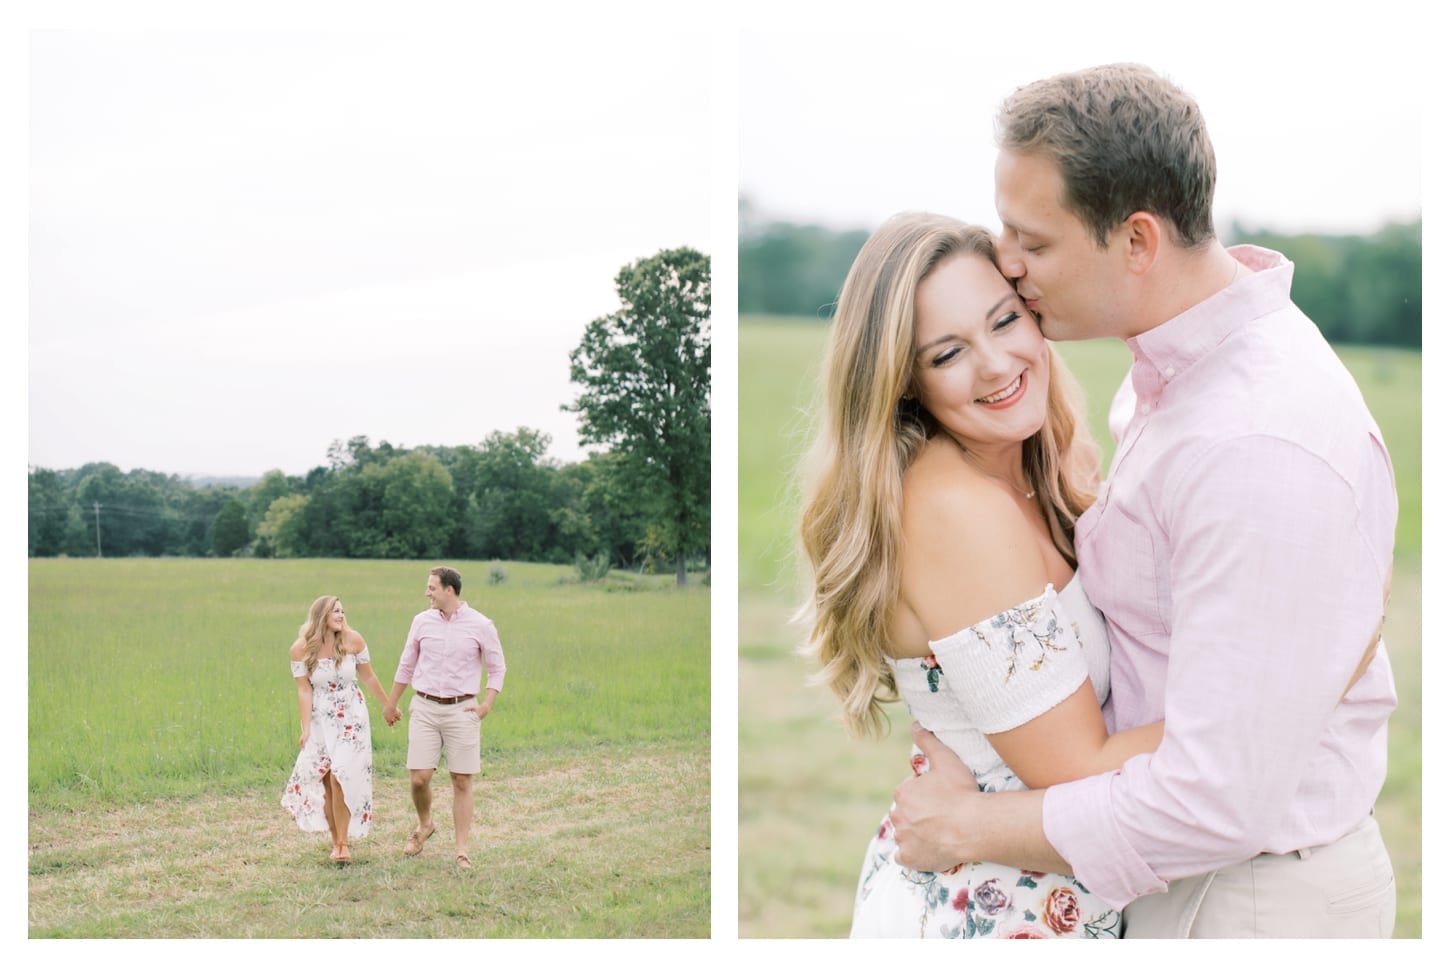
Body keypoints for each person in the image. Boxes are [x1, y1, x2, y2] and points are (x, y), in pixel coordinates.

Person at [889, 63, 1399, 938]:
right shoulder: (1182, 377)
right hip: (1185, 882)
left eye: (1033, 242)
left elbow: (1215, 794)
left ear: (1135, 241)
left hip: (1248, 898)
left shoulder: (1252, 437)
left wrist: (966, 826)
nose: (1007, 265)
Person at [798, 211, 1171, 938]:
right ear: (905, 384)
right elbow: (1077, 766)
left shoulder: (1036, 473)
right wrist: (1266, 694)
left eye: (1004, 321)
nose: (997, 363)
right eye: (947, 354)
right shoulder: (953, 509)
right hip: (992, 915)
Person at [384, 565, 506, 870]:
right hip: (424, 706)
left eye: (432, 587)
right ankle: (425, 824)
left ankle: (461, 850)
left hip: (462, 708)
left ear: (448, 590)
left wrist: (486, 705)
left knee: (461, 780)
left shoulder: (481, 624)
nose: (427, 593)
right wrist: (392, 703)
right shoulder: (421, 622)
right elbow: (406, 664)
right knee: (418, 778)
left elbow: (497, 667)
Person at [282, 595, 391, 864]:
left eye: (343, 611)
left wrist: (389, 706)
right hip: (321, 718)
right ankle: (336, 840)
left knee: (339, 776)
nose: (341, 616)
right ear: (321, 616)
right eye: (335, 612)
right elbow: (304, 689)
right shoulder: (301, 648)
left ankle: (343, 843)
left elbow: (368, 675)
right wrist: (305, 728)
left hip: (351, 716)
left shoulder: (354, 640)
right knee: (326, 778)